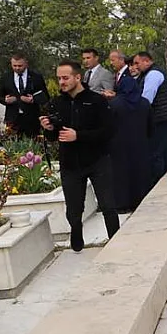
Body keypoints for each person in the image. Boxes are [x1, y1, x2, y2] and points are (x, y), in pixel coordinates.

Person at [41, 60, 121, 252]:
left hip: (97, 159)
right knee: (74, 209)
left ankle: (117, 239)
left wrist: (79, 136)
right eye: (59, 78)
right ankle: (77, 236)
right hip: (70, 163)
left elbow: (108, 131)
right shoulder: (56, 103)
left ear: (78, 77)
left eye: (65, 77)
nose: (61, 82)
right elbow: (53, 137)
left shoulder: (97, 100)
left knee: (108, 205)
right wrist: (49, 129)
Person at [105, 52, 151, 212]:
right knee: (140, 173)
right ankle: (141, 199)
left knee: (121, 174)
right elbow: (150, 125)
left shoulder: (115, 104)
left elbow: (108, 125)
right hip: (141, 144)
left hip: (119, 145)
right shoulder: (145, 103)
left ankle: (122, 204)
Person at [132, 52, 167, 186]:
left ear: (147, 61)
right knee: (162, 151)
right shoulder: (147, 74)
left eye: (137, 63)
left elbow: (147, 98)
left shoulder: (153, 74)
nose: (135, 66)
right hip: (162, 116)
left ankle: (158, 181)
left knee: (157, 152)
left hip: (161, 117)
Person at [0, 54, 48, 138]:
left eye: (20, 65)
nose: (17, 68)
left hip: (32, 119)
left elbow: (45, 96)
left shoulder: (36, 77)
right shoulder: (5, 78)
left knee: (34, 145)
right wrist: (5, 100)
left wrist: (33, 99)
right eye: (14, 66)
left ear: (26, 64)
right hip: (13, 119)